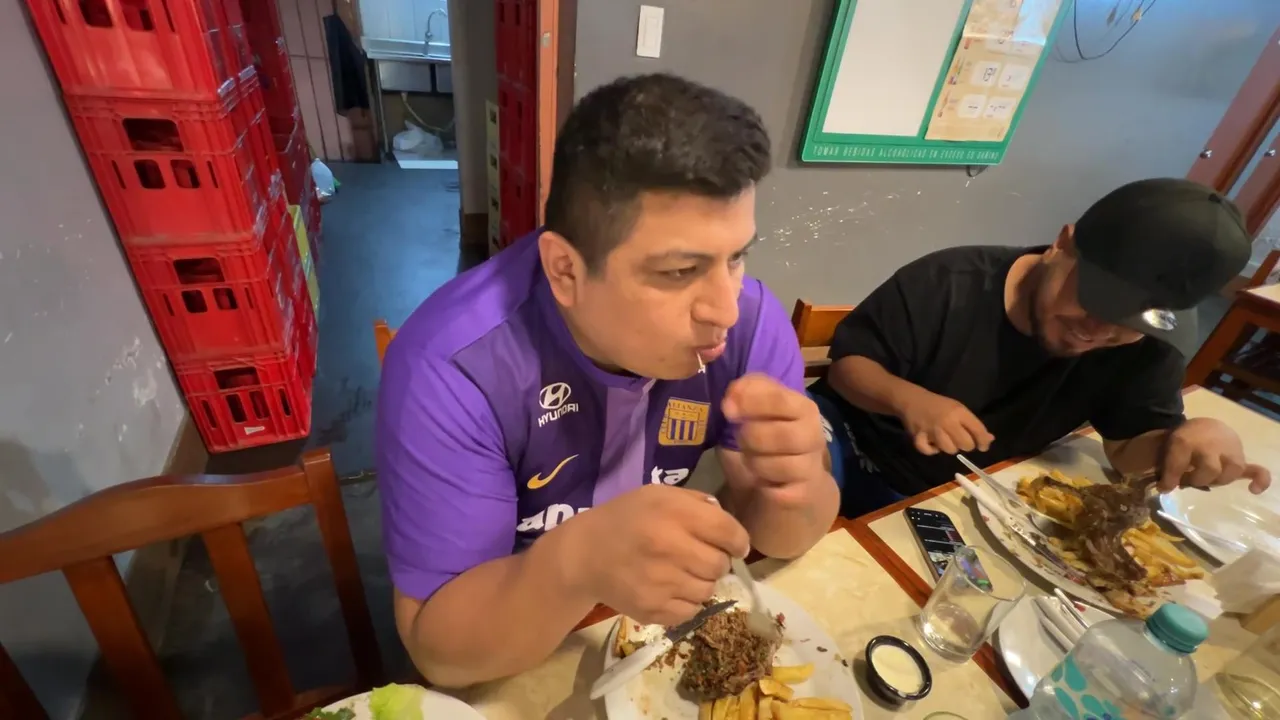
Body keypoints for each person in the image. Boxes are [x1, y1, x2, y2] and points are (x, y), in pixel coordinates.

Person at [376, 73, 839, 688]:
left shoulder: (750, 323)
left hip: (649, 637)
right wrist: (579, 561)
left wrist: (798, 483)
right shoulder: (454, 369)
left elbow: (783, 537)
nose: (725, 308)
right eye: (680, 271)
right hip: (516, 637)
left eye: (736, 257)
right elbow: (440, 652)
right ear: (565, 271)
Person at [808, 178, 1273, 517]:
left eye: (1130, 322)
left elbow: (1126, 449)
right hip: (852, 443)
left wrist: (1181, 445)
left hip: (960, 495)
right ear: (1062, 244)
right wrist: (910, 400)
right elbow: (849, 368)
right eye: (1096, 300)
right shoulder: (949, 282)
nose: (1098, 331)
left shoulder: (1149, 344)